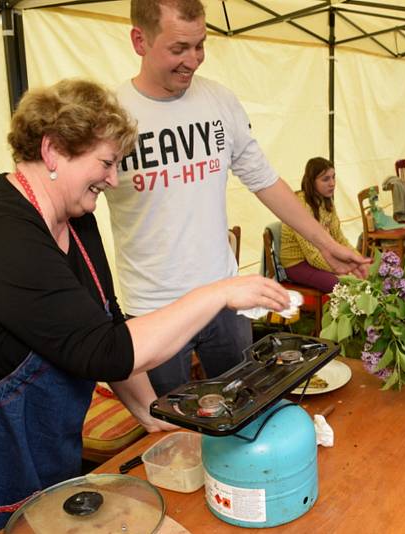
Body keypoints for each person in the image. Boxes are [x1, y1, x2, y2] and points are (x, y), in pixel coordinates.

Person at [0, 79, 291, 533]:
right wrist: (217, 292)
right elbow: (108, 350)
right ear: (53, 152)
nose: (113, 179)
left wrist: (153, 418)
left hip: (38, 439)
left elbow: (106, 323)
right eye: (107, 163)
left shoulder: (75, 220)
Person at [108, 0, 369, 396]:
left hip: (226, 299)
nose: (193, 61)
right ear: (139, 40)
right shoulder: (113, 115)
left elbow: (264, 180)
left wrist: (326, 244)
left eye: (200, 45)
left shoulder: (219, 102)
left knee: (247, 403)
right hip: (153, 307)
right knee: (175, 426)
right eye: (179, 48)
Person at [279, 157, 355, 293]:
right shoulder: (300, 205)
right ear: (312, 182)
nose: (332, 183)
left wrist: (357, 259)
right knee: (339, 285)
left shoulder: (327, 202)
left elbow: (340, 239)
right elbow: (312, 255)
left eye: (333, 177)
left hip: (318, 255)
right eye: (325, 179)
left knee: (355, 276)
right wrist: (341, 269)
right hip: (297, 264)